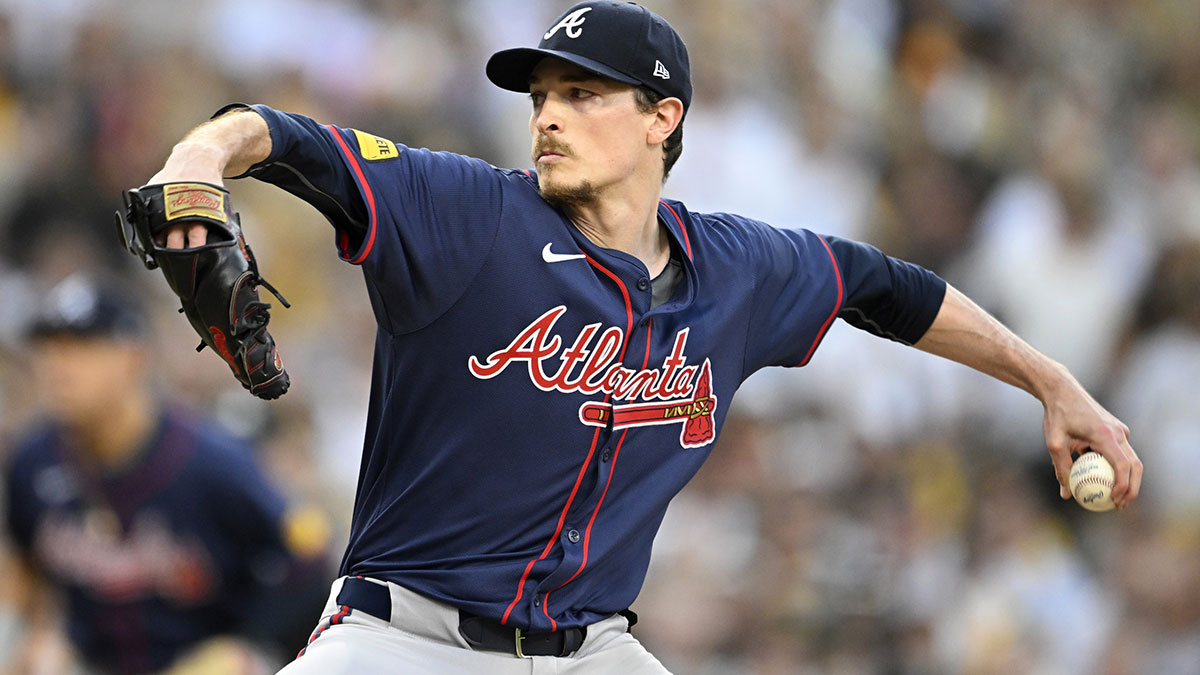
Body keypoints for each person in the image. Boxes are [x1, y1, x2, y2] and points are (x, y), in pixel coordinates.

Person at [136, 2, 1142, 673]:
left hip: (591, 650)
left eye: (582, 94)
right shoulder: (468, 213)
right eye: (540, 98)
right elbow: (284, 137)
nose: (548, 118)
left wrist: (1052, 381)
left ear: (663, 117)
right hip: (407, 642)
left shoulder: (741, 268)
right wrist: (198, 158)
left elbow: (888, 290)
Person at [3, 275, 331, 675]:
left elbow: (310, 559)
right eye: (49, 349)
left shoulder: (210, 460)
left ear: (133, 357)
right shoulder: (33, 461)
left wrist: (249, 643)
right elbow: (26, 573)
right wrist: (38, 635)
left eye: (80, 348)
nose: (57, 367)